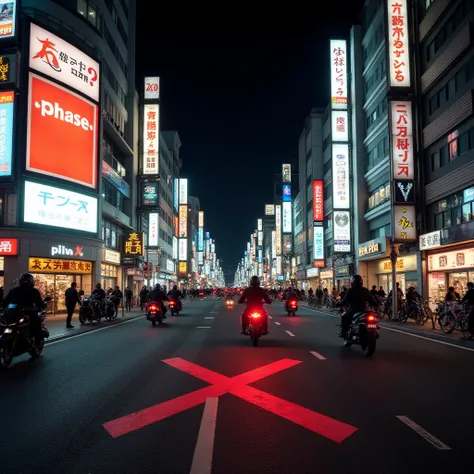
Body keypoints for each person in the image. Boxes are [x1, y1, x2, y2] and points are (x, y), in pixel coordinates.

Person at [2, 273, 45, 340]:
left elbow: (4, 302)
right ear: (32, 281)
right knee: (36, 320)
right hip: (22, 312)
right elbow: (40, 304)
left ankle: (37, 340)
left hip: (19, 313)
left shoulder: (14, 290)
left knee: (36, 320)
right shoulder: (34, 291)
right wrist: (39, 308)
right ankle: (37, 339)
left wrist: (3, 307)